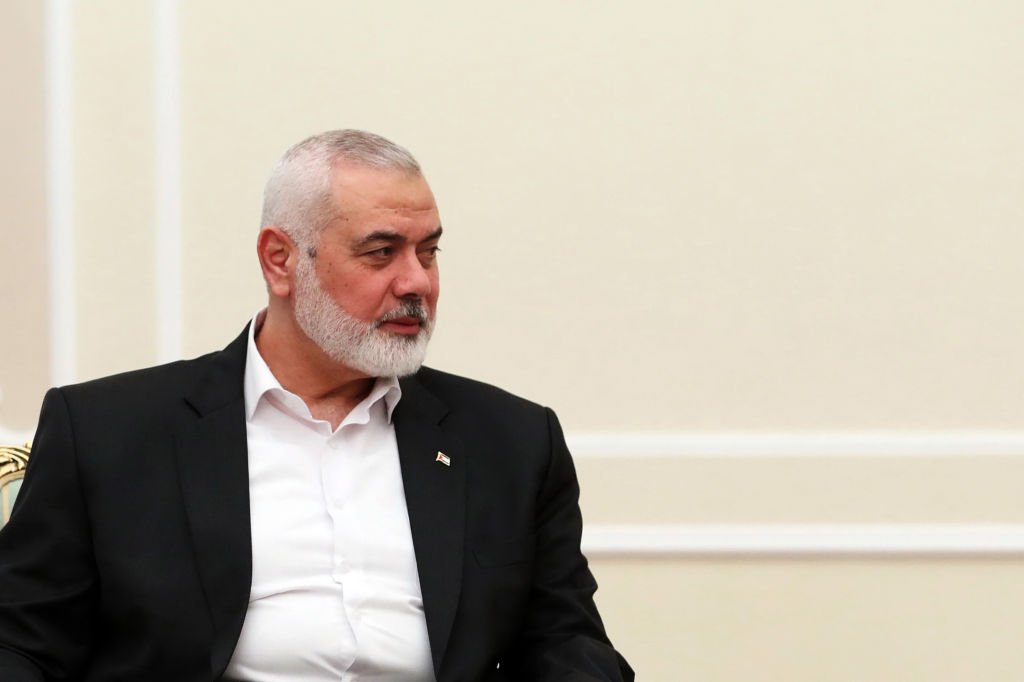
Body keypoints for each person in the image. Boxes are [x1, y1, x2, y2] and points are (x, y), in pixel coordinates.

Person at [0, 130, 633, 681]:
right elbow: (22, 643)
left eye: (429, 251)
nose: (417, 281)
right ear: (280, 260)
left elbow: (565, 640)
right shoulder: (109, 433)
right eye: (381, 252)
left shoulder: (511, 440)